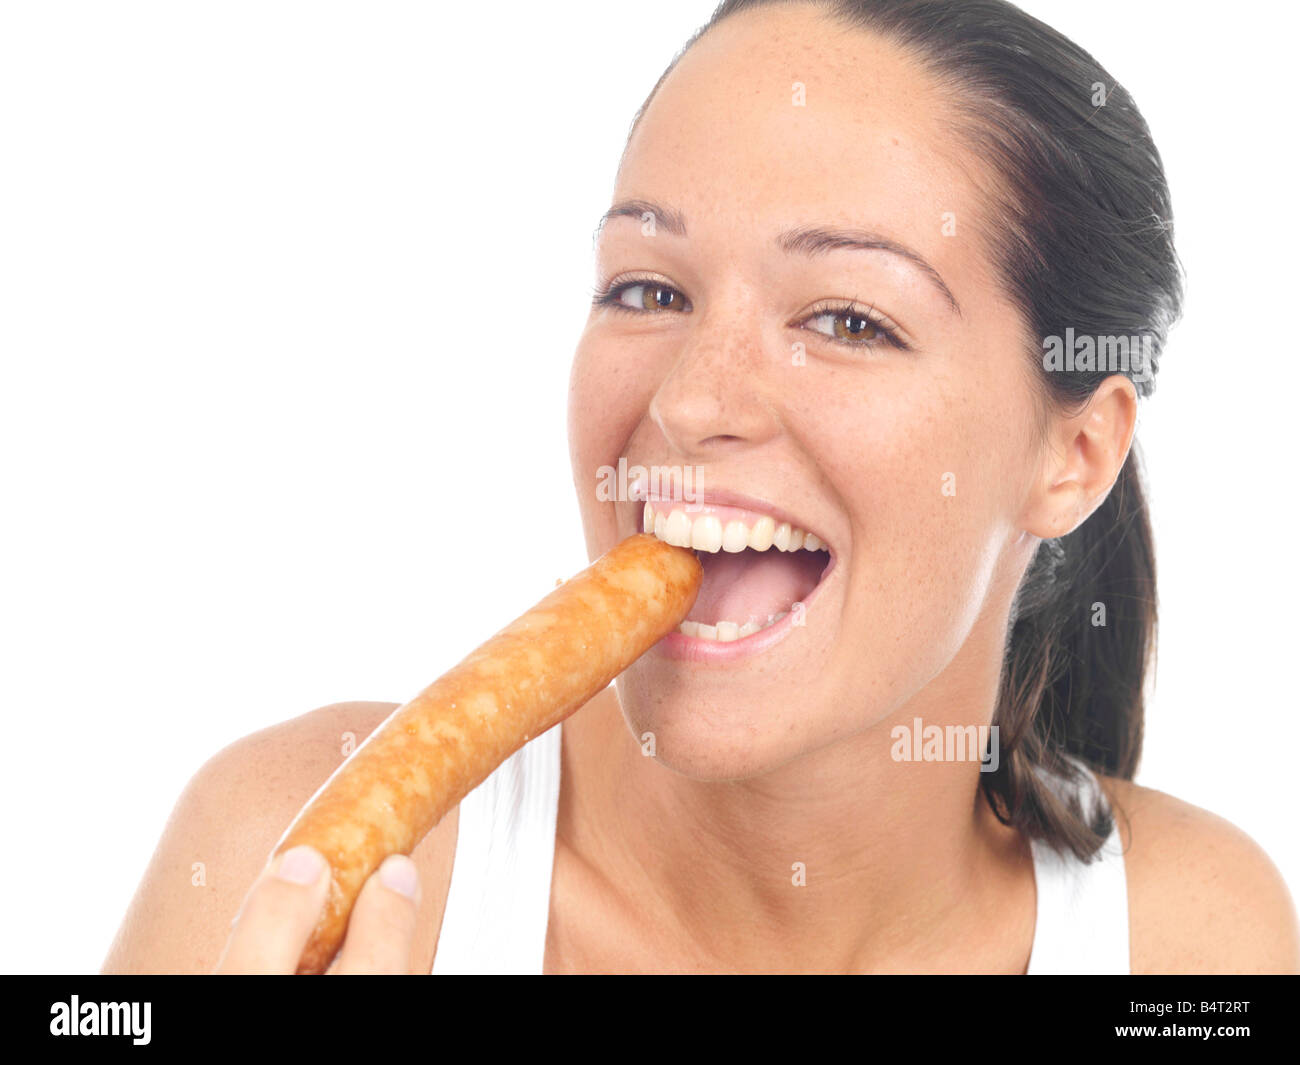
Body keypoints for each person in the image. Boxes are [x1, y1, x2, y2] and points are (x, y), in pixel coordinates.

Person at [104, 0, 1299, 974]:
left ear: (1073, 453)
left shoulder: (1192, 944)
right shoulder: (284, 849)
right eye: (648, 291)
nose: (689, 401)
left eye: (846, 318)